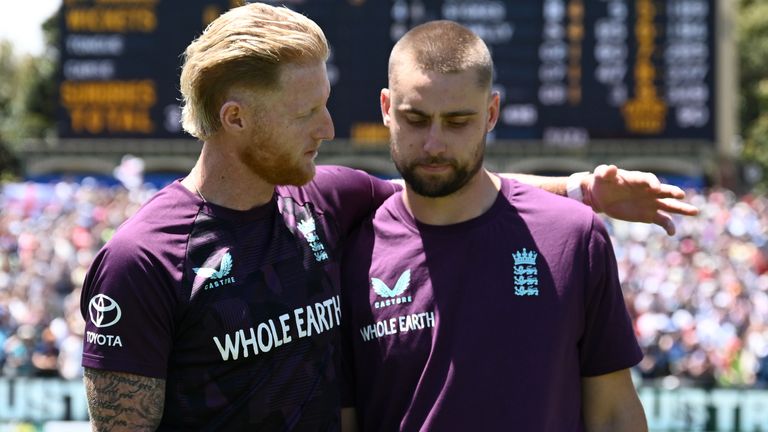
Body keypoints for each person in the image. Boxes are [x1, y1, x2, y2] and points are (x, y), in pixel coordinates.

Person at [80, 3, 694, 431]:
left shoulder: (322, 202)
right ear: (236, 118)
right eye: (307, 113)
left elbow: (443, 179)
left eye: (326, 105)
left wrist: (581, 189)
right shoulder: (144, 258)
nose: (328, 128)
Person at [339, 21, 651, 431]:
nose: (434, 143)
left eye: (457, 122)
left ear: (491, 113)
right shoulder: (349, 250)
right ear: (385, 108)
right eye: (415, 119)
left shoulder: (573, 235)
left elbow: (613, 415)